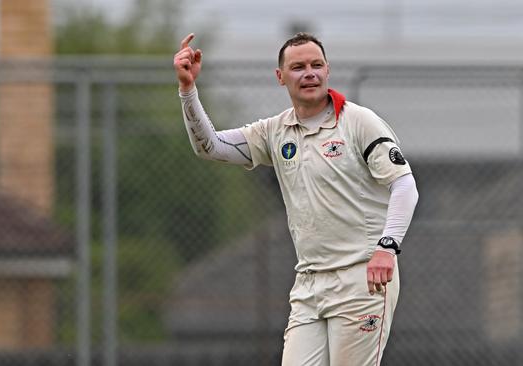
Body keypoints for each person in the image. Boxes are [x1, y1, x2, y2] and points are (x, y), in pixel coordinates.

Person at [173, 32, 418, 366]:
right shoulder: (275, 131)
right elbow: (211, 147)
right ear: (280, 77)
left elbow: (404, 186)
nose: (309, 73)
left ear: (328, 71)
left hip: (361, 278)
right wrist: (188, 91)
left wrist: (387, 248)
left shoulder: (359, 122)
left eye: (317, 65)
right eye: (298, 67)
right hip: (309, 285)